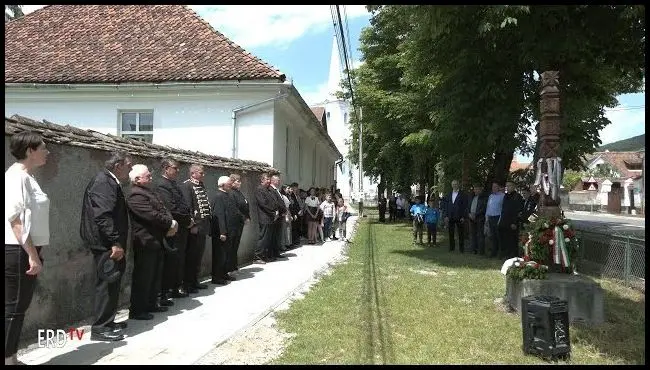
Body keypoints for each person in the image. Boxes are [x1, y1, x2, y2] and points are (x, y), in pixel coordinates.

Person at [5, 132, 50, 364]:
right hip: (18, 250)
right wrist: (32, 255)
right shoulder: (17, 177)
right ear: (30, 151)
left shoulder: (28, 177)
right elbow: (16, 220)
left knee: (17, 308)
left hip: (26, 249)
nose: (47, 151)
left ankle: (11, 357)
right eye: (43, 147)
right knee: (13, 309)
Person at [80, 151, 132, 342]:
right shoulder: (104, 182)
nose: (131, 169)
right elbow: (103, 216)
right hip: (106, 245)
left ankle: (108, 322)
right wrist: (115, 242)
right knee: (106, 283)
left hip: (110, 244)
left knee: (113, 282)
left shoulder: (110, 181)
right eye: (129, 165)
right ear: (118, 165)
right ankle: (100, 328)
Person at [127, 164, 178, 320]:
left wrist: (170, 220)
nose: (150, 177)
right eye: (147, 175)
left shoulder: (148, 192)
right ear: (137, 179)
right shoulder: (135, 195)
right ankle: (138, 310)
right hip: (145, 240)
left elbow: (163, 209)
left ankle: (151, 304)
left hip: (156, 239)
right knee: (144, 276)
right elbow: (151, 215)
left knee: (154, 275)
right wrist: (170, 223)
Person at [156, 158, 193, 301]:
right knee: (170, 261)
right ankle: (165, 293)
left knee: (178, 260)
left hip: (182, 227)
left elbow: (183, 205)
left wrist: (189, 219)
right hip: (172, 228)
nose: (178, 171)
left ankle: (175, 287)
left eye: (178, 168)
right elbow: (171, 208)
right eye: (175, 168)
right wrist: (187, 220)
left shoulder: (174, 184)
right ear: (166, 168)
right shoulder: (162, 185)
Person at [181, 164, 211, 293]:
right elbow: (188, 206)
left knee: (198, 255)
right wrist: (192, 225)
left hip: (202, 226)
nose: (203, 175)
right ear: (193, 173)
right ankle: (187, 284)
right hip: (194, 227)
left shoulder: (200, 185)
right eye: (201, 173)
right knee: (191, 256)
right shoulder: (187, 185)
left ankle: (195, 281)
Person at [209, 176, 237, 285]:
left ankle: (224, 273)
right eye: (229, 183)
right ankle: (217, 277)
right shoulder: (218, 196)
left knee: (225, 255)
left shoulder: (227, 195)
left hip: (228, 231)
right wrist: (222, 232)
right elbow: (219, 215)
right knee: (219, 255)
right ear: (222, 184)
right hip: (221, 232)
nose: (230, 185)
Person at [228, 173, 250, 272]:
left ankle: (234, 265)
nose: (240, 183)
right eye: (238, 181)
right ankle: (230, 267)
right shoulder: (231, 193)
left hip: (240, 223)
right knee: (231, 246)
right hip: (234, 223)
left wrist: (248, 216)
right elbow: (235, 209)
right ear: (232, 182)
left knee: (236, 244)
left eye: (240, 181)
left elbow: (245, 205)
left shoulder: (238, 192)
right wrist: (244, 218)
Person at [254, 173, 277, 263]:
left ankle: (264, 255)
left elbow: (273, 202)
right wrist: (273, 212)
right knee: (263, 237)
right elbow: (263, 204)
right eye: (267, 179)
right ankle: (257, 256)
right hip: (264, 217)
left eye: (269, 179)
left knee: (268, 238)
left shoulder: (267, 190)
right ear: (262, 180)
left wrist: (275, 211)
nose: (268, 181)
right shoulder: (259, 190)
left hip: (270, 217)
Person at [499, 181, 524, 259]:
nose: (508, 188)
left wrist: (514, 222)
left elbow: (518, 211)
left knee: (512, 239)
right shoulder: (506, 196)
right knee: (505, 238)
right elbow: (503, 209)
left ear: (513, 186)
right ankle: (506, 253)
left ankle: (513, 255)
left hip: (512, 222)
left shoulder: (517, 196)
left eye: (509, 186)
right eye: (507, 186)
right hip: (504, 221)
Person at [442, 180, 469, 253]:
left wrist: (463, 216)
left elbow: (465, 206)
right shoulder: (448, 194)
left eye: (456, 184)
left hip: (460, 217)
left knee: (461, 233)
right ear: (451, 185)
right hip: (450, 216)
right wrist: (446, 216)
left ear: (458, 185)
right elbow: (446, 206)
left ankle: (461, 249)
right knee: (451, 233)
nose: (455, 185)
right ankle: (451, 248)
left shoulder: (463, 195)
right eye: (453, 184)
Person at [268, 174, 288, 257]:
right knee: (275, 235)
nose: (279, 181)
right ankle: (273, 253)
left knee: (278, 235)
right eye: (277, 180)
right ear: (273, 181)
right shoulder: (271, 189)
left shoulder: (277, 190)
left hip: (281, 215)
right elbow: (275, 202)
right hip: (277, 216)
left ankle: (277, 252)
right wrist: (280, 211)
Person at [486, 182, 506, 259]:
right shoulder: (490, 196)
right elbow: (488, 207)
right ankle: (494, 251)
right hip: (490, 217)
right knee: (493, 236)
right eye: (493, 187)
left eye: (495, 187)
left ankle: (501, 252)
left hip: (498, 218)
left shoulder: (502, 196)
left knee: (499, 236)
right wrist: (486, 218)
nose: (493, 188)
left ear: (498, 187)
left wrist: (500, 219)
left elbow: (502, 209)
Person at [468, 183, 489, 255]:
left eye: (477, 189)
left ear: (481, 189)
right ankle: (473, 249)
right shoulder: (472, 197)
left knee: (480, 235)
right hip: (471, 218)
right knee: (472, 234)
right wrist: (469, 214)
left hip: (480, 218)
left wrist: (475, 214)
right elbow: (468, 207)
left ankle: (481, 251)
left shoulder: (484, 198)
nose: (475, 191)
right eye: (475, 189)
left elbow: (483, 208)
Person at [287, 183, 303, 248]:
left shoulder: (295, 195)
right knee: (293, 228)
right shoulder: (291, 195)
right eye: (295, 187)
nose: (296, 189)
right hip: (294, 213)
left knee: (296, 227)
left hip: (297, 213)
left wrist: (300, 210)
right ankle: (293, 241)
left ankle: (296, 240)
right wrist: (295, 213)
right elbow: (292, 205)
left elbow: (297, 204)